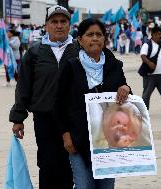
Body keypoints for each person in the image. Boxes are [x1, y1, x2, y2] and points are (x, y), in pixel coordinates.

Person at [54, 18, 131, 189]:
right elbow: (58, 104)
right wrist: (66, 136)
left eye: (99, 34)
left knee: (106, 186)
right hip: (78, 140)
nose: (95, 38)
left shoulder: (114, 66)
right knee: (84, 186)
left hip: (108, 141)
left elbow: (126, 95)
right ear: (80, 40)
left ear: (105, 39)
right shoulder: (71, 66)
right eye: (89, 35)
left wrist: (126, 87)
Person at [9, 5, 78, 189]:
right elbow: (23, 86)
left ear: (69, 25)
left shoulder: (79, 50)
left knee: (70, 164)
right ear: (46, 25)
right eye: (54, 22)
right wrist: (18, 118)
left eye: (63, 21)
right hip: (44, 119)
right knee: (47, 164)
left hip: (73, 120)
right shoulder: (34, 52)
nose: (59, 26)